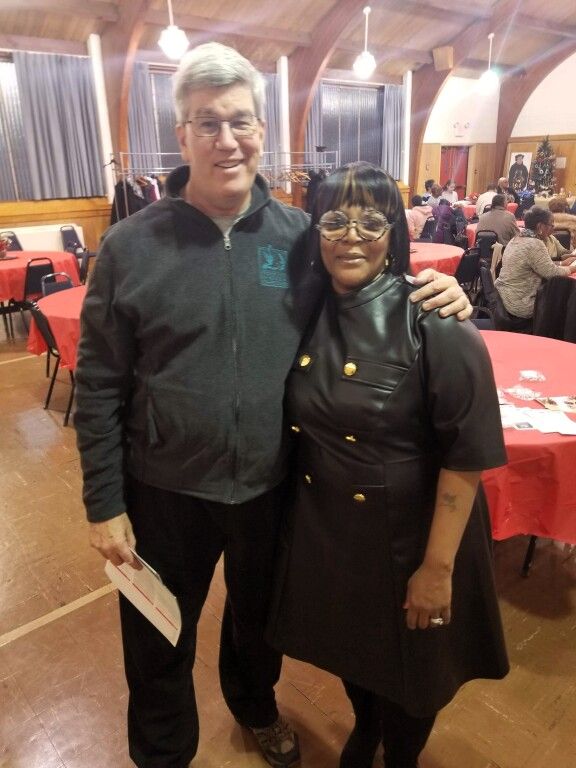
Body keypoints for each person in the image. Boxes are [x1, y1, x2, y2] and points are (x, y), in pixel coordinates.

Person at [74, 42, 473, 768]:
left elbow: (371, 306)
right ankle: (162, 755)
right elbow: (98, 382)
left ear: (262, 129)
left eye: (240, 121)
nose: (226, 140)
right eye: (206, 123)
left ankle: (255, 707)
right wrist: (104, 503)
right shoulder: (130, 247)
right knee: (156, 635)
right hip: (161, 489)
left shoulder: (299, 240)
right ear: (182, 135)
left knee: (259, 625)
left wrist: (441, 299)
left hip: (273, 483)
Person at [267, 162, 509, 768]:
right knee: (356, 654)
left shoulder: (435, 320)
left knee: (416, 674)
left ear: (394, 230)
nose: (351, 234)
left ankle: (399, 754)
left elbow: (466, 457)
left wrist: (436, 567)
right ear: (314, 231)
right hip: (334, 532)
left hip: (413, 537)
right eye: (334, 220)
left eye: (370, 221)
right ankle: (366, 727)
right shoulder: (305, 312)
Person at [495, 206, 576, 332]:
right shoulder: (535, 244)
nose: (554, 228)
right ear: (540, 227)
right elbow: (552, 273)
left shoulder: (517, 239)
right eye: (551, 225)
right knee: (563, 303)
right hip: (520, 304)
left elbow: (540, 264)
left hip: (503, 298)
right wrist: (572, 268)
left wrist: (561, 263)